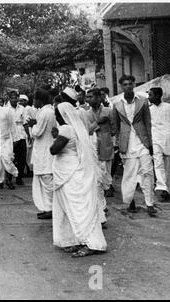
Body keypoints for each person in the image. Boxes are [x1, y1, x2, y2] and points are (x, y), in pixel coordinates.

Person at [50, 102, 107, 257]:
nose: (55, 116)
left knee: (77, 208)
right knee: (71, 208)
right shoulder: (74, 128)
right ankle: (77, 239)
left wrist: (54, 137)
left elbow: (54, 149)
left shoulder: (67, 129)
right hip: (68, 172)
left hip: (70, 173)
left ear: (63, 116)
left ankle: (93, 243)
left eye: (57, 114)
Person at [112, 75, 156, 216]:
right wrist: (117, 145)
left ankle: (150, 204)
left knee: (148, 172)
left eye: (130, 84)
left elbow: (148, 123)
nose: (128, 86)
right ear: (121, 86)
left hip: (142, 142)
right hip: (127, 145)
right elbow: (116, 127)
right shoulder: (117, 104)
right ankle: (130, 202)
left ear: (134, 85)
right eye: (125, 84)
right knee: (129, 175)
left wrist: (150, 143)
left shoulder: (143, 101)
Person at [26, 89, 55, 220]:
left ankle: (50, 208)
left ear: (39, 100)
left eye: (34, 99)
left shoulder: (45, 112)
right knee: (44, 180)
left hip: (45, 150)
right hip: (43, 148)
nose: (33, 102)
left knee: (47, 180)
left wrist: (33, 125)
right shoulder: (45, 111)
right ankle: (46, 207)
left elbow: (37, 132)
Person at [87, 88, 115, 214]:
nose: (88, 99)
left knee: (105, 177)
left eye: (91, 96)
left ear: (99, 98)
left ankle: (102, 203)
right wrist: (98, 122)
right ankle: (101, 206)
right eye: (87, 97)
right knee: (96, 178)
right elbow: (88, 130)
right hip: (92, 148)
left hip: (106, 146)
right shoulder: (86, 113)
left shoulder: (109, 111)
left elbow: (115, 129)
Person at [148, 87, 170, 202]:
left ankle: (167, 188)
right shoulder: (149, 110)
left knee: (167, 165)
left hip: (167, 139)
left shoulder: (168, 107)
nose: (149, 97)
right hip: (155, 140)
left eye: (151, 95)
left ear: (157, 96)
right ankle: (161, 186)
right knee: (158, 163)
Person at [8, 91, 28, 185]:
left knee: (22, 158)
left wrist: (28, 135)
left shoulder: (22, 108)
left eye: (16, 98)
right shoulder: (5, 109)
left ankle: (19, 178)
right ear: (9, 98)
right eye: (12, 98)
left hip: (21, 133)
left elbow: (25, 122)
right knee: (10, 157)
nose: (14, 99)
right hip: (10, 134)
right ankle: (9, 178)